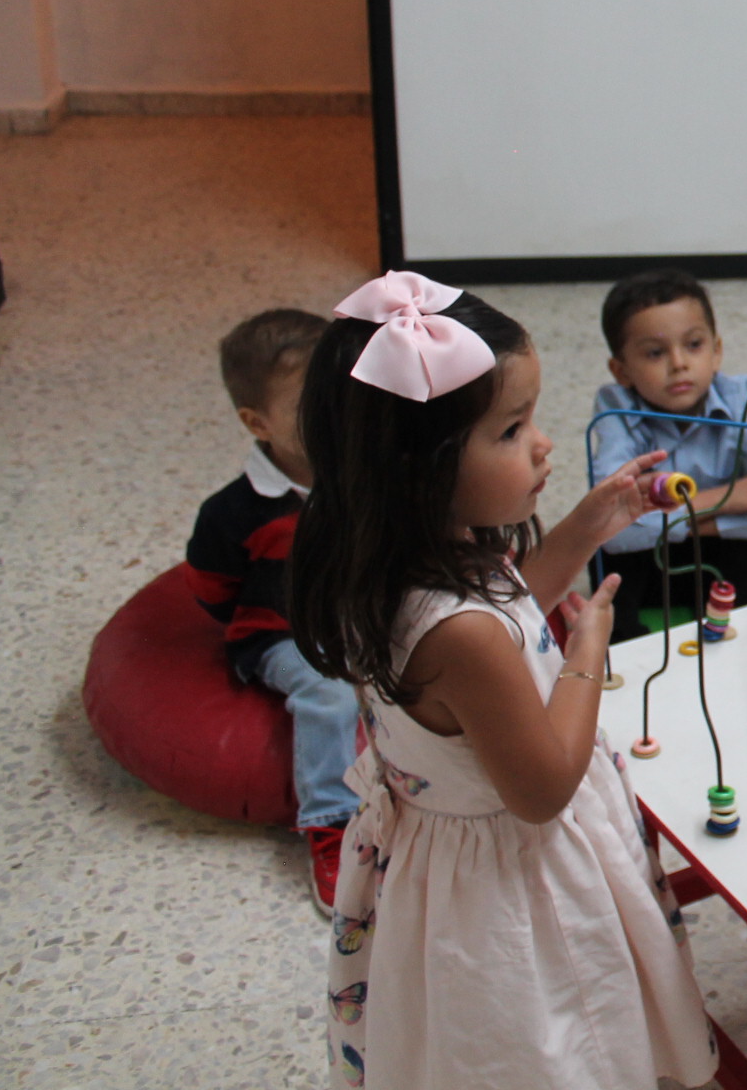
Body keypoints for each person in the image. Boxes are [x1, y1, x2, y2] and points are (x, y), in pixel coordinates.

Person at [290, 272, 717, 1090]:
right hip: (513, 881)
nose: (543, 444)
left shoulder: (397, 559)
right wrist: (587, 650)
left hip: (440, 858)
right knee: (555, 1043)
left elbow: (515, 604)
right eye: (513, 430)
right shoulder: (460, 635)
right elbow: (544, 787)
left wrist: (591, 523)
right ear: (421, 465)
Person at [185, 308, 359, 912]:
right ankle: (332, 823)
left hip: (358, 616)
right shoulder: (235, 512)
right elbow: (212, 588)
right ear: (257, 422)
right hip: (282, 636)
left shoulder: (362, 476)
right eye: (310, 404)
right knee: (330, 693)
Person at [590, 269, 747, 643]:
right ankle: (624, 644)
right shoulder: (615, 409)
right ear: (621, 371)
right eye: (655, 353)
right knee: (601, 547)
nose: (678, 363)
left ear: (716, 351)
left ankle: (736, 625)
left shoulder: (740, 396)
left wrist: (671, 520)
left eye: (693, 345)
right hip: (652, 572)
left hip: (713, 561)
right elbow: (610, 526)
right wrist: (726, 499)